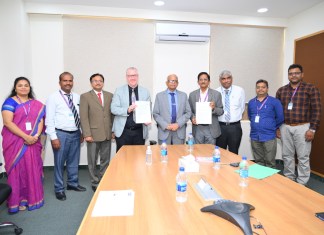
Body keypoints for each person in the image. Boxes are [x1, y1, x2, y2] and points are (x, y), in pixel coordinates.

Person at [1, 77, 45, 213]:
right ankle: (17, 200)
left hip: (33, 141)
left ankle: (32, 198)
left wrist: (35, 136)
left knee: (32, 169)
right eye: (20, 85)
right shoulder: (10, 102)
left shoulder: (36, 104)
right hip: (15, 142)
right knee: (17, 171)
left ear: (29, 88)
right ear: (15, 88)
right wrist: (26, 136)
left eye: (26, 85)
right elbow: (8, 123)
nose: (23, 87)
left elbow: (40, 120)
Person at [276, 64, 321, 185]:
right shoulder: (281, 90)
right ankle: (289, 178)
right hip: (285, 127)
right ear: (288, 75)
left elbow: (317, 110)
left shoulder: (311, 89)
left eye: (296, 73)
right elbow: (278, 111)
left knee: (303, 157)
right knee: (287, 155)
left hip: (303, 127)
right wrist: (277, 128)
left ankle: (302, 182)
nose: (293, 75)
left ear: (302, 74)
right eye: (291, 73)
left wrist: (312, 129)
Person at [45, 72, 86, 201]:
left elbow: (80, 116)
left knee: (74, 161)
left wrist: (81, 131)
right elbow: (49, 119)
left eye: (70, 81)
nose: (68, 83)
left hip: (75, 133)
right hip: (60, 134)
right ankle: (59, 189)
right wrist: (53, 137)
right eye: (65, 81)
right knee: (59, 163)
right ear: (60, 82)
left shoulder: (77, 97)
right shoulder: (53, 97)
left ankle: (72, 183)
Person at [80, 73, 114, 192]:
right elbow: (83, 117)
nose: (98, 82)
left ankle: (103, 178)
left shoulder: (110, 95)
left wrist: (113, 131)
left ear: (103, 83)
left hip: (107, 133)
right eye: (95, 81)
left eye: (100, 81)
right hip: (93, 135)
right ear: (91, 83)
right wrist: (87, 134)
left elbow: (112, 115)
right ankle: (94, 181)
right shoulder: (85, 96)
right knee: (92, 160)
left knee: (105, 159)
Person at [111, 67, 151, 152]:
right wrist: (127, 110)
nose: (132, 78)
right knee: (122, 160)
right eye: (130, 76)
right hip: (123, 132)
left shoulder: (145, 91)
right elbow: (113, 109)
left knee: (139, 159)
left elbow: (148, 109)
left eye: (134, 75)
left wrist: (147, 118)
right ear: (126, 77)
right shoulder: (119, 91)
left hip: (139, 132)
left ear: (138, 76)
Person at [248, 79, 284, 168]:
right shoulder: (251, 102)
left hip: (269, 135)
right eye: (258, 87)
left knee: (270, 162)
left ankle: (271, 181)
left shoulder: (274, 101)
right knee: (258, 161)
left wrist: (272, 126)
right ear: (255, 89)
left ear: (267, 89)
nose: (260, 89)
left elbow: (280, 117)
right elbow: (250, 116)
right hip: (254, 135)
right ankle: (260, 181)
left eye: (263, 87)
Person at [153, 74, 191, 145]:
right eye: (171, 81)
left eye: (175, 81)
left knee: (179, 154)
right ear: (166, 83)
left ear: (178, 83)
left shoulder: (183, 95)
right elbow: (155, 114)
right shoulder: (159, 96)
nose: (173, 82)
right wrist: (166, 125)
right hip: (164, 131)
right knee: (163, 154)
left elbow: (188, 112)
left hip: (179, 131)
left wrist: (178, 124)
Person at [188, 72, 224, 144]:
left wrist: (214, 108)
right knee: (198, 152)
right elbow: (189, 111)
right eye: (201, 80)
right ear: (198, 82)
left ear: (209, 81)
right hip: (198, 128)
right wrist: (192, 118)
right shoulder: (192, 95)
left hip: (211, 128)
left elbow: (221, 111)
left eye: (205, 79)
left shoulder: (216, 94)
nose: (203, 81)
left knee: (210, 152)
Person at [216, 70, 245, 154]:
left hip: (235, 127)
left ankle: (235, 167)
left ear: (232, 79)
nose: (226, 81)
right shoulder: (216, 92)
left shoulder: (239, 90)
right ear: (220, 80)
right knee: (220, 153)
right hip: (220, 127)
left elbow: (242, 108)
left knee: (234, 153)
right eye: (223, 79)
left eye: (228, 78)